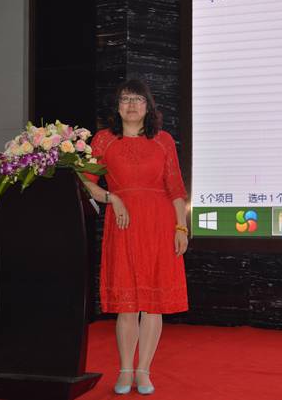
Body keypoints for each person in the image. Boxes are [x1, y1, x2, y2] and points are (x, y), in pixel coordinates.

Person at [83, 79, 189, 395]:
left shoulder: (163, 140)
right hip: (123, 225)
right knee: (127, 305)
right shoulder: (104, 140)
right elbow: (84, 180)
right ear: (117, 106)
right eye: (125, 99)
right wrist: (111, 198)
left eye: (138, 99)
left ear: (148, 106)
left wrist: (181, 227)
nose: (131, 105)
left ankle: (143, 371)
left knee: (153, 305)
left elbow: (176, 188)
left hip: (159, 226)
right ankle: (125, 369)